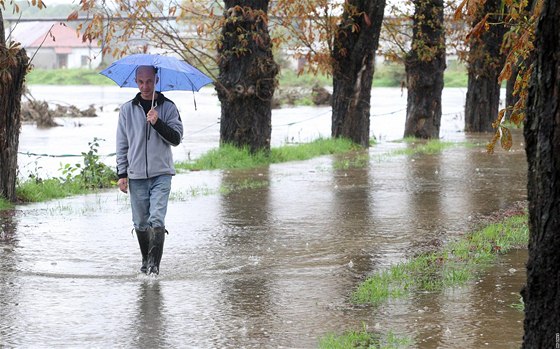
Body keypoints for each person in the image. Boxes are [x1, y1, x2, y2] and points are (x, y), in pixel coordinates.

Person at [116, 65, 183, 275]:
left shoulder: (168, 107)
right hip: (135, 175)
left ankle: (154, 266)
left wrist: (157, 122)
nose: (145, 86)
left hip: (161, 174)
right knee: (140, 222)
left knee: (156, 219)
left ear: (156, 80)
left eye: (149, 82)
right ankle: (146, 261)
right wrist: (122, 174)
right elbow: (122, 143)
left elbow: (177, 138)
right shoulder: (127, 109)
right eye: (141, 82)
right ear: (136, 82)